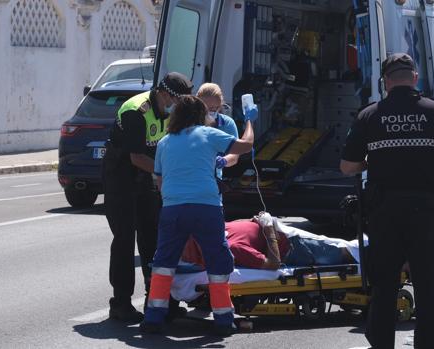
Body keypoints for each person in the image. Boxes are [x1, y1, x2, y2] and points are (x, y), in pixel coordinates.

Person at [340, 53, 434, 349]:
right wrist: (430, 157)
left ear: (386, 82)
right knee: (428, 287)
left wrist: (376, 161)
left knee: (384, 286)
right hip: (426, 212)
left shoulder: (369, 115)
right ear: (415, 78)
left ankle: (382, 344)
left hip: (385, 213)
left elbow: (347, 166)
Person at [140, 95, 257, 335]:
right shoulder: (209, 135)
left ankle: (153, 317)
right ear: (199, 115)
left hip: (173, 208)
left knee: (164, 262)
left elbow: (160, 181)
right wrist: (249, 122)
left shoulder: (165, 142)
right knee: (217, 261)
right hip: (206, 206)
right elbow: (245, 146)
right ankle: (223, 320)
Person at [103, 72, 193, 323]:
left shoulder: (171, 110)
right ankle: (120, 303)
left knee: (153, 239)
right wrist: (167, 175)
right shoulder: (136, 110)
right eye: (176, 100)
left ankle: (159, 300)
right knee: (124, 239)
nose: (177, 106)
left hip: (147, 179)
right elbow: (137, 157)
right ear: (164, 93)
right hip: (121, 178)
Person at [181, 218, 355, 270]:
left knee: (339, 244)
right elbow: (273, 264)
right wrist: (269, 228)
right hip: (292, 248)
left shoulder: (215, 229)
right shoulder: (234, 247)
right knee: (344, 251)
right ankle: (370, 255)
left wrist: (256, 220)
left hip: (286, 236)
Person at [196, 83, 240, 177]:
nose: (213, 112)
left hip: (213, 180)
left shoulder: (227, 124)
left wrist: (224, 160)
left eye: (216, 108)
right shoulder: (189, 123)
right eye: (209, 108)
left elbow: (234, 155)